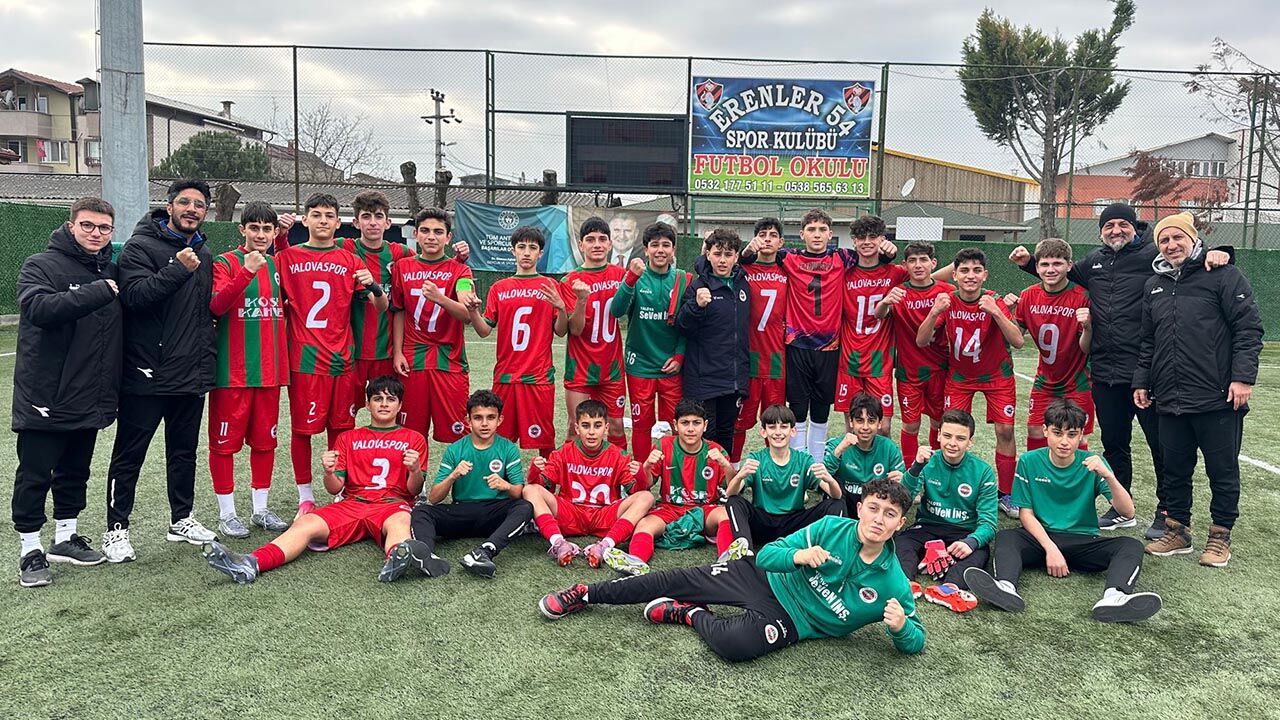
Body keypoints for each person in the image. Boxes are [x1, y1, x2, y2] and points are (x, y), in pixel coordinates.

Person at [1009, 202, 1231, 536]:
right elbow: (1058, 273)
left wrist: (1220, 252)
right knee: (1114, 443)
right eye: (1109, 225)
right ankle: (1120, 506)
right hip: (1104, 371)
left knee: (1161, 445)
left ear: (1134, 227)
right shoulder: (1094, 261)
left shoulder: (1153, 252)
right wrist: (1028, 262)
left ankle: (1166, 510)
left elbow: (1185, 254)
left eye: (1122, 224)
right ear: (1101, 231)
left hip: (1145, 369)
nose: (1116, 231)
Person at [538, 478, 925, 662]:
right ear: (860, 508)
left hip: (792, 621)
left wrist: (901, 628)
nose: (878, 519)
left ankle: (688, 613)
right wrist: (799, 557)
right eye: (873, 508)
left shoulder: (893, 582)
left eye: (890, 514)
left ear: (900, 524)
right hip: (762, 576)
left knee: (735, 645)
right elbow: (768, 555)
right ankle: (586, 593)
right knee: (674, 578)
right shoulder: (830, 528)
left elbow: (917, 639)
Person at [200, 375, 429, 584]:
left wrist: (415, 470)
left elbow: (413, 490)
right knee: (305, 523)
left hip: (391, 505)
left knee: (400, 522)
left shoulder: (414, 439)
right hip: (353, 503)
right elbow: (334, 489)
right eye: (377, 399)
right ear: (367, 405)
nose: (384, 404)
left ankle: (396, 560)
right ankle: (251, 563)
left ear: (400, 405)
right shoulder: (348, 438)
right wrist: (329, 473)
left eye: (391, 399)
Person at [1135, 212, 1262, 568]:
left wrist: (1242, 378)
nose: (1171, 245)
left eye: (1178, 237)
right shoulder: (1154, 284)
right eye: (1164, 240)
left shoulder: (1223, 275)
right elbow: (1148, 340)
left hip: (1217, 397)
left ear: (1193, 240)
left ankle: (1220, 536)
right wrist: (1142, 380)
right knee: (1174, 469)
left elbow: (1249, 329)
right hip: (1170, 398)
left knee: (1222, 471)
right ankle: (1177, 531)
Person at [102, 179, 218, 562]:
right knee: (129, 455)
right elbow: (134, 298)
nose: (191, 209)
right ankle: (116, 529)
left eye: (199, 205)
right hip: (147, 374)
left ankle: (181, 519)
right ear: (169, 207)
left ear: (205, 212)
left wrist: (204, 366)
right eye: (184, 202)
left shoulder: (204, 252)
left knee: (183, 453)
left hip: (189, 375)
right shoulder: (140, 246)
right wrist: (177, 269)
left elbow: (201, 316)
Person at [965, 399, 1163, 623]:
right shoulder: (1029, 461)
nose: (1064, 441)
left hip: (1083, 541)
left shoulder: (1093, 463)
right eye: (1058, 433)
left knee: (1131, 545)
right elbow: (1025, 514)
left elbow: (1127, 512)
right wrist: (1051, 549)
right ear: (1045, 431)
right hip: (1041, 540)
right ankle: (1005, 587)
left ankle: (1115, 597)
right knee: (1007, 537)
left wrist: (1108, 476)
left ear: (1081, 436)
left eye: (1072, 434)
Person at [12, 197, 122, 586]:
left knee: (76, 470)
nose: (96, 233)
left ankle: (65, 538)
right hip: (46, 394)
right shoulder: (41, 264)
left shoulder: (110, 269)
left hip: (89, 393)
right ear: (71, 225)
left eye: (104, 227)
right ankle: (30, 551)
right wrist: (97, 291)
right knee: (35, 473)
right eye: (88, 225)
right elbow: (38, 309)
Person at [277, 193, 385, 516]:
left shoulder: (350, 260)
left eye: (328, 216)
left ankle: (340, 490)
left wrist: (374, 286)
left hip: (342, 359)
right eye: (316, 214)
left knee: (341, 428)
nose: (322, 220)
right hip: (305, 360)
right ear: (305, 220)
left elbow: (381, 307)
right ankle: (305, 496)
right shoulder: (288, 257)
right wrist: (280, 236)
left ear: (338, 223)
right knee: (303, 430)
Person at [916, 248, 1024, 518]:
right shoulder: (948, 301)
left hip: (997, 375)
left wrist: (997, 313)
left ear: (985, 275)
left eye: (976, 270)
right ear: (954, 275)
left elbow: (1018, 341)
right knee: (950, 429)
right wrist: (933, 312)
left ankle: (1006, 493)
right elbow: (921, 340)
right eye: (964, 270)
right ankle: (942, 485)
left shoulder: (994, 300)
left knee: (1005, 431)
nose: (970, 276)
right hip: (960, 377)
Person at [739, 209, 853, 463]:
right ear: (801, 234)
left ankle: (817, 465)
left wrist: (888, 251)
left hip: (829, 346)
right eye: (811, 229)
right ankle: (800, 464)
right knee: (798, 409)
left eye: (822, 230)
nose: (817, 234)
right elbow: (747, 259)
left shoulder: (843, 257)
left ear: (831, 234)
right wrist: (748, 250)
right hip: (796, 345)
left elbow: (875, 258)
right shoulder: (788, 258)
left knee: (821, 411)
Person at [207, 201, 290, 538]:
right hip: (232, 373)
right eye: (254, 227)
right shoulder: (225, 262)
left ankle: (260, 509)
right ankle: (227, 514)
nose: (260, 234)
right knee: (224, 445)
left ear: (274, 232)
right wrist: (247, 271)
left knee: (265, 443)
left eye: (267, 229)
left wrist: (283, 241)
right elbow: (216, 306)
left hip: (269, 372)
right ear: (242, 230)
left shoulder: (276, 263)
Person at [602, 399, 735, 576]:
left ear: (705, 425)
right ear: (675, 425)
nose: (690, 429)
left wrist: (726, 465)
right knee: (644, 524)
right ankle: (636, 560)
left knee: (725, 514)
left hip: (703, 510)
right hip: (669, 508)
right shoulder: (663, 445)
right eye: (685, 423)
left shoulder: (715, 450)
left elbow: (733, 489)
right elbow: (645, 486)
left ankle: (727, 560)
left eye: (696, 423)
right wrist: (647, 466)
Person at [410, 390, 533, 578]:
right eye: (478, 418)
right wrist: (453, 476)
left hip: (494, 513)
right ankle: (426, 556)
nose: (484, 423)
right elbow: (433, 498)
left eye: (490, 417)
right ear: (468, 420)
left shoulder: (508, 448)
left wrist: (505, 486)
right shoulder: (455, 449)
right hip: (461, 512)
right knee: (421, 512)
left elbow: (517, 492)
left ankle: (485, 551)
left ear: (499, 420)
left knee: (524, 507)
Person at [466, 226, 564, 458]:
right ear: (513, 251)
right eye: (521, 247)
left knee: (544, 439)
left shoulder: (550, 286)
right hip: (506, 375)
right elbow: (484, 331)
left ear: (540, 253)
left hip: (538, 376)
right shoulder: (499, 288)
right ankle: (498, 476)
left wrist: (561, 308)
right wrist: (472, 312)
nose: (526, 252)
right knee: (500, 438)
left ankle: (546, 478)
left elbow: (561, 332)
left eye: (533, 248)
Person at [525, 399, 654, 567]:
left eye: (597, 425)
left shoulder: (618, 455)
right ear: (577, 428)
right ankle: (559, 543)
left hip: (604, 514)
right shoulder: (564, 452)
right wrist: (534, 471)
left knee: (646, 497)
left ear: (606, 428)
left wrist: (640, 475)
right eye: (586, 426)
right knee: (530, 490)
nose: (591, 432)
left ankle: (604, 546)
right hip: (571, 513)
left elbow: (636, 491)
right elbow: (540, 485)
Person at [390, 207, 475, 462]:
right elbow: (399, 310)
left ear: (448, 238)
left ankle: (461, 480)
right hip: (413, 360)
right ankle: (416, 481)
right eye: (425, 231)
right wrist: (397, 352)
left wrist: (440, 298)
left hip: (448, 360)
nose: (431, 237)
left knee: (459, 430)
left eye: (438, 232)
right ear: (415, 234)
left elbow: (466, 313)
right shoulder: (402, 267)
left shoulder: (460, 271)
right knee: (411, 432)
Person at [896, 409, 997, 612]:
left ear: (970, 442)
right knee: (901, 543)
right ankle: (905, 583)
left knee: (980, 552)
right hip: (927, 526)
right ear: (939, 435)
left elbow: (989, 523)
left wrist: (971, 542)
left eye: (960, 438)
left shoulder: (983, 471)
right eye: (947, 436)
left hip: (962, 532)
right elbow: (902, 499)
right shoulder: (927, 462)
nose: (952, 443)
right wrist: (916, 467)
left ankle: (949, 589)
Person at [610, 222, 689, 462]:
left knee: (677, 425)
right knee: (642, 425)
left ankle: (674, 474)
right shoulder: (637, 278)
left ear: (673, 250)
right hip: (640, 365)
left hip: (671, 366)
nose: (660, 250)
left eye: (666, 245)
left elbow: (689, 325)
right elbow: (616, 311)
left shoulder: (683, 280)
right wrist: (630, 279)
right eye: (654, 245)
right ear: (646, 250)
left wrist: (679, 356)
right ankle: (643, 477)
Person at [724, 404, 843, 555]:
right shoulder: (756, 458)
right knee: (734, 501)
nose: (778, 432)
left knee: (836, 504)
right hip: (763, 523)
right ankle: (744, 551)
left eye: (784, 427)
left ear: (793, 431)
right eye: (772, 427)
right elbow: (730, 494)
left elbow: (836, 495)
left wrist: (830, 479)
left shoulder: (804, 460)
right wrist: (740, 476)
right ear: (763, 431)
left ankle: (832, 551)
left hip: (795, 524)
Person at [1015, 239, 1094, 461]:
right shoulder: (1028, 295)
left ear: (1069, 265)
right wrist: (1005, 312)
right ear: (1036, 266)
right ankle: (1037, 478)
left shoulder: (1082, 297)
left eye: (1057, 263)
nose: (1050, 270)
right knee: (1035, 430)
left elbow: (1086, 348)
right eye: (1045, 264)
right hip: (1045, 380)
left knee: (1077, 436)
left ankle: (1076, 481)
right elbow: (1016, 338)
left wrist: (1088, 327)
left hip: (1077, 381)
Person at [874, 242, 953, 461]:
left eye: (923, 260)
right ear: (905, 265)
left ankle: (936, 467)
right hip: (909, 372)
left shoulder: (947, 291)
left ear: (933, 263)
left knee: (939, 422)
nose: (918, 265)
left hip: (940, 369)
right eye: (912, 260)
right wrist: (885, 302)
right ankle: (911, 472)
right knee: (911, 425)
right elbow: (879, 314)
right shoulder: (899, 292)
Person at [675, 228, 750, 455]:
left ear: (736, 256)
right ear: (708, 254)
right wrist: (695, 306)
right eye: (717, 254)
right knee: (705, 435)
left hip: (733, 378)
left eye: (728, 254)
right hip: (704, 378)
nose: (722, 260)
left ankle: (721, 476)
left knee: (727, 433)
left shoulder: (742, 284)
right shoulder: (698, 286)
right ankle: (700, 476)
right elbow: (682, 326)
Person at [340, 190, 412, 415]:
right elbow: (308, 252)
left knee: (390, 412)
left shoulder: (401, 253)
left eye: (378, 216)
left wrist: (459, 260)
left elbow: (433, 266)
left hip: (387, 352)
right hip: (351, 352)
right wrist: (283, 235)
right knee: (346, 415)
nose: (373, 222)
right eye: (366, 216)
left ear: (388, 222)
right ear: (355, 222)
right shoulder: (344, 248)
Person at [560, 217, 628, 449]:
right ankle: (570, 472)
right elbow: (575, 330)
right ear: (581, 245)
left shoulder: (621, 275)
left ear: (610, 244)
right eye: (590, 240)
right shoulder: (570, 281)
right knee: (575, 427)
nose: (597, 244)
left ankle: (618, 472)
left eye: (602, 239)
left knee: (616, 426)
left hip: (612, 369)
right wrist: (581, 300)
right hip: (580, 368)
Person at [836, 215, 906, 437]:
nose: (867, 242)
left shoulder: (895, 273)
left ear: (882, 240)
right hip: (850, 357)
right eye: (861, 237)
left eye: (873, 236)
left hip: (879, 360)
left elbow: (926, 278)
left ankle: (883, 461)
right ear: (854, 241)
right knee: (852, 425)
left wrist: (894, 253)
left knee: (883, 427)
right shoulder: (843, 273)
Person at [732, 217, 789, 462]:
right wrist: (745, 254)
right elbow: (711, 264)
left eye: (773, 235)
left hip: (776, 359)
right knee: (739, 423)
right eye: (762, 234)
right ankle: (732, 469)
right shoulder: (742, 270)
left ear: (781, 242)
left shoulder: (787, 271)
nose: (767, 239)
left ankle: (775, 468)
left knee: (775, 422)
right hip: (747, 359)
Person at [823, 392, 905, 517]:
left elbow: (904, 492)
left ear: (879, 423)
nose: (865, 427)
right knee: (835, 501)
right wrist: (838, 452)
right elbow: (820, 479)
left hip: (875, 507)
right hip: (844, 504)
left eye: (871, 421)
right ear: (851, 422)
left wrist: (901, 480)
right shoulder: (837, 445)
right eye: (859, 420)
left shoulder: (889, 448)